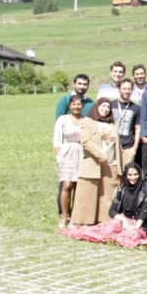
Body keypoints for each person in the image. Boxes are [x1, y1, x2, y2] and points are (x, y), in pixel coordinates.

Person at [72, 99, 121, 226]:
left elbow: (117, 146)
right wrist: (101, 156)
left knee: (107, 194)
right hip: (93, 163)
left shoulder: (113, 124)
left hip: (111, 163)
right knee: (88, 193)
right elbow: (85, 141)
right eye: (102, 106)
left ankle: (104, 220)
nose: (105, 109)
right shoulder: (87, 122)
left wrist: (119, 166)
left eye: (108, 107)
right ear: (97, 107)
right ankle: (84, 221)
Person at [53, 94, 85, 228]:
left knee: (78, 186)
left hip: (81, 154)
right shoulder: (63, 119)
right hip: (66, 153)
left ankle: (74, 217)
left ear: (82, 106)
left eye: (79, 104)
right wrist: (58, 155)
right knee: (67, 185)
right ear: (70, 106)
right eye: (74, 104)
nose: (76, 107)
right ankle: (64, 216)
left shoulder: (86, 120)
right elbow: (57, 139)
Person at [109, 163, 147, 232]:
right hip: (124, 220)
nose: (133, 178)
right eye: (129, 175)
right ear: (125, 175)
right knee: (110, 230)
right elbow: (112, 211)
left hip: (140, 222)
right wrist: (124, 220)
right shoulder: (123, 188)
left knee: (133, 234)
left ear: (139, 174)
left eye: (135, 174)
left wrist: (136, 227)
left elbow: (145, 210)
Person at [113, 78, 140, 166]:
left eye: (129, 89)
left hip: (128, 147)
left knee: (126, 174)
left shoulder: (136, 108)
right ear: (119, 89)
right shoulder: (111, 105)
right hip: (112, 145)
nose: (127, 91)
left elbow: (138, 128)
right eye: (124, 89)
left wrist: (134, 148)